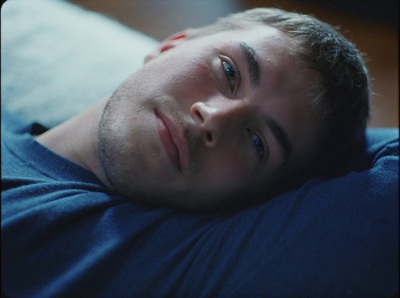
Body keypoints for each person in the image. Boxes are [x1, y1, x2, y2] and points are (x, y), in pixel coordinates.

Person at [5, 7, 367, 211]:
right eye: (229, 70)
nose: (214, 118)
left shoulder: (172, 260)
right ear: (172, 45)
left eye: (258, 143)